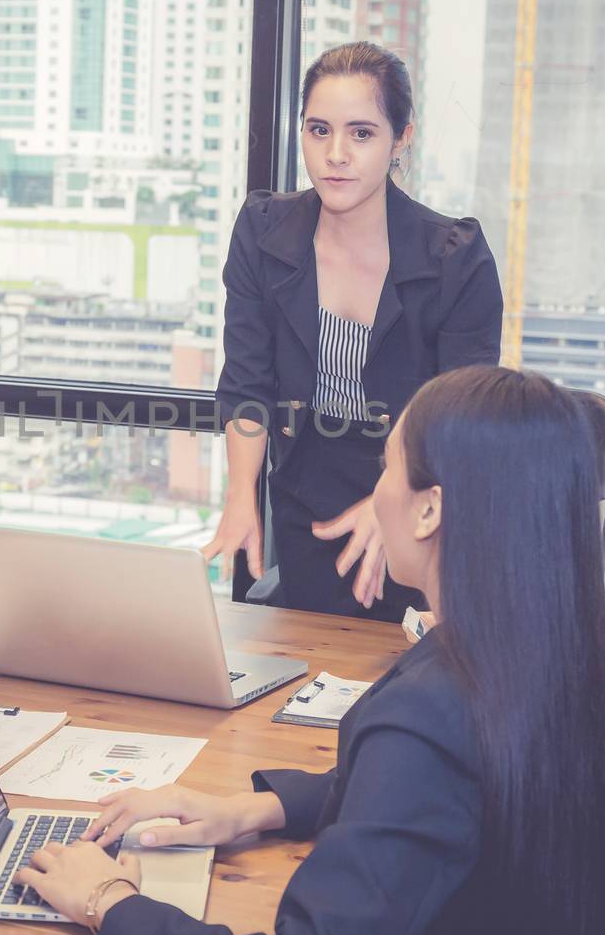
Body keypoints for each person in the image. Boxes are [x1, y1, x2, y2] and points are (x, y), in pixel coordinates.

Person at [14, 366, 605, 935]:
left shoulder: (430, 712)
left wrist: (110, 902)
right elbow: (430, 798)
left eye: (386, 468)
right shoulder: (550, 649)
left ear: (430, 508)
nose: (375, 493)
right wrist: (245, 810)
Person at [202, 41, 502, 622]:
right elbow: (248, 382)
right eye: (319, 131)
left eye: (361, 133)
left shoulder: (454, 258)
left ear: (401, 138)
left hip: (424, 502)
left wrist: (393, 499)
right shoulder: (264, 233)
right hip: (304, 501)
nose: (335, 154)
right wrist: (242, 495)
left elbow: (463, 413)